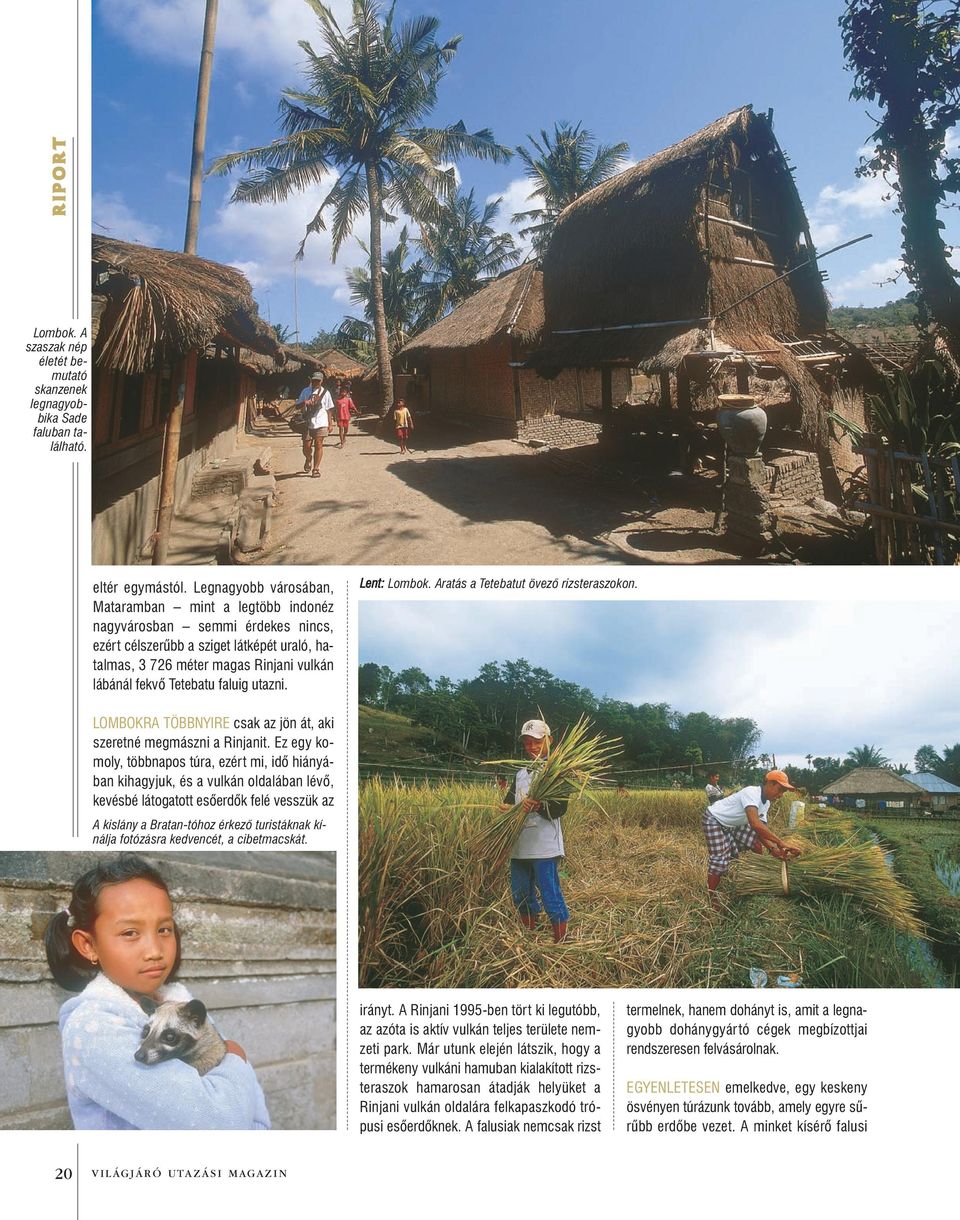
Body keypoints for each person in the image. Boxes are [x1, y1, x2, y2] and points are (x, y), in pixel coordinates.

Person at [44, 856, 270, 1130]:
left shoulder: (177, 1003)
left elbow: (255, 1115)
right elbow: (220, 1122)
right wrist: (235, 1055)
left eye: (164, 929)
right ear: (88, 945)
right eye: (130, 933)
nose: (154, 950)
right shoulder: (93, 1028)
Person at [502, 718, 570, 943]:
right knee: (520, 893)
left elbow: (560, 808)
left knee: (550, 894)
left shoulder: (557, 772)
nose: (531, 747)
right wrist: (506, 808)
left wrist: (539, 806)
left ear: (549, 740)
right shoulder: (520, 773)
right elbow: (509, 802)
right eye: (527, 742)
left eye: (537, 742)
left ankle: (559, 942)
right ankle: (528, 937)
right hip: (519, 844)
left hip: (544, 846)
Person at [703, 770, 801, 907]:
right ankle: (711, 897)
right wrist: (780, 843)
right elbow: (755, 824)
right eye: (780, 790)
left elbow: (760, 831)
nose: (780, 795)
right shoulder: (751, 793)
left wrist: (773, 849)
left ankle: (754, 872)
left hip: (733, 823)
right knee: (720, 859)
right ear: (770, 784)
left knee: (754, 843)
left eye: (783, 792)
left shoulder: (765, 803)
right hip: (715, 819)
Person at [296, 372, 334, 476]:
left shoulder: (326, 393)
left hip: (321, 422)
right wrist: (305, 402)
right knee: (306, 446)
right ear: (311, 380)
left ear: (321, 381)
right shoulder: (305, 391)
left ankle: (316, 468)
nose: (315, 382)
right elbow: (297, 406)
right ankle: (308, 458)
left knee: (319, 444)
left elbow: (329, 409)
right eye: (314, 380)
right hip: (308, 422)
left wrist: (330, 424)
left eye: (318, 380)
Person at [335, 380, 360, 447]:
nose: (343, 393)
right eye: (342, 392)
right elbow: (335, 409)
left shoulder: (348, 399)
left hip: (346, 416)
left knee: (346, 429)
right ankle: (342, 442)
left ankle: (344, 436)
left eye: (344, 392)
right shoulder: (337, 400)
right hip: (340, 417)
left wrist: (357, 412)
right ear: (340, 393)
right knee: (340, 429)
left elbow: (352, 406)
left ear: (346, 393)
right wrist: (335, 416)